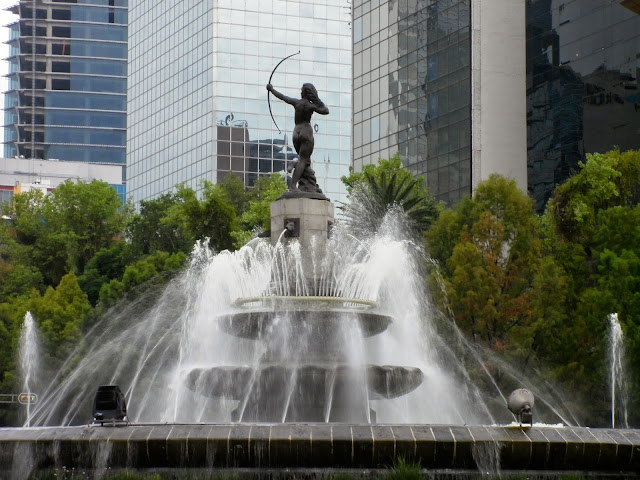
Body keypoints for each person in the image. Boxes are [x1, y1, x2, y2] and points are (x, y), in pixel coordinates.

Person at [266, 82, 329, 192]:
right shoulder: (311, 106)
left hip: (296, 132)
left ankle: (296, 167)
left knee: (304, 160)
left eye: (301, 90)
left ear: (303, 92)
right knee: (304, 160)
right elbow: (325, 110)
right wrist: (317, 100)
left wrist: (272, 89)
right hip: (306, 131)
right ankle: (293, 186)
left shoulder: (296, 103)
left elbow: (283, 97)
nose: (300, 92)